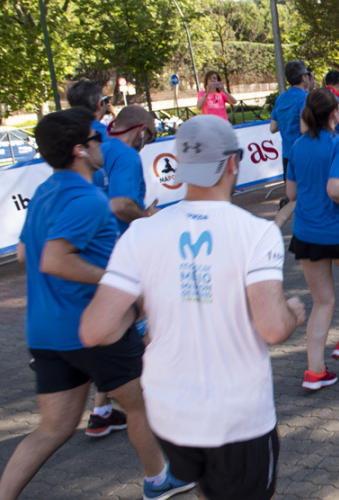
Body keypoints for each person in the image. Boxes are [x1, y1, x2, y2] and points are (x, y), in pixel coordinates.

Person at [80, 114, 306, 500]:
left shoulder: (141, 233)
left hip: (170, 415)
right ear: (233, 163)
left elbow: (95, 330)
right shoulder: (256, 232)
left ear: (179, 169)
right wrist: (293, 313)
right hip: (238, 419)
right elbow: (272, 329)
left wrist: (144, 308)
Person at [0, 108, 191, 500]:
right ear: (80, 150)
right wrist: (117, 279)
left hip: (45, 332)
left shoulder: (45, 194)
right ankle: (157, 481)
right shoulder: (88, 200)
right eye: (95, 138)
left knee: (54, 428)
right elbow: (54, 259)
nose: (103, 142)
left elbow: (22, 255)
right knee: (142, 403)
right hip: (94, 330)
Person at [278, 89, 339, 390]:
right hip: (337, 231)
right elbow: (335, 189)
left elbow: (291, 195)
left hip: (306, 232)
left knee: (323, 301)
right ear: (336, 114)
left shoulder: (296, 145)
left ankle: (315, 372)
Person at [64, 79, 124, 437]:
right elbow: (121, 200)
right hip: (107, 246)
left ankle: (101, 407)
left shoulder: (60, 148)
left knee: (54, 428)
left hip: (86, 249)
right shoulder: (105, 142)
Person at [93, 105, 158, 236]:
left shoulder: (96, 148)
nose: (146, 144)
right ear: (142, 131)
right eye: (149, 138)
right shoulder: (127, 155)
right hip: (117, 240)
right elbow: (121, 206)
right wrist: (148, 215)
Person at [271, 60, 313, 208]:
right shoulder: (305, 98)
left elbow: (273, 127)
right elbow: (304, 128)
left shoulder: (281, 98)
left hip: (287, 155)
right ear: (303, 78)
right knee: (309, 196)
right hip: (304, 154)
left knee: (294, 197)